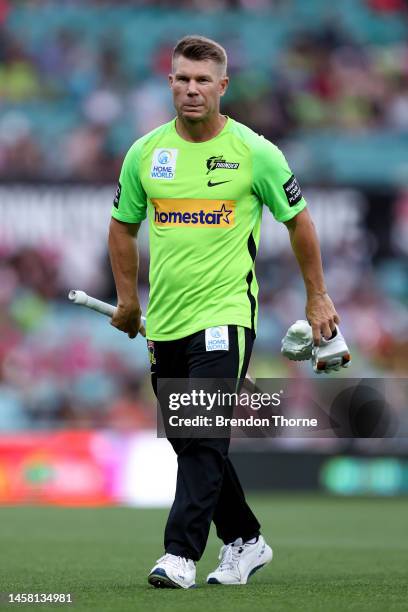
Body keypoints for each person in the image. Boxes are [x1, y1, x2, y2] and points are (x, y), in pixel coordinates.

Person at [108, 35, 340, 589]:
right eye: (182, 79)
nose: (192, 89)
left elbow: (300, 222)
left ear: (222, 86)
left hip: (226, 315)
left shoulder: (255, 152)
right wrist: (127, 299)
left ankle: (179, 555)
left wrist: (318, 296)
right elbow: (121, 226)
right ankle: (245, 540)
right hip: (164, 321)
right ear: (170, 83)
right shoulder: (145, 153)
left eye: (202, 80)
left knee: (205, 430)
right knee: (189, 436)